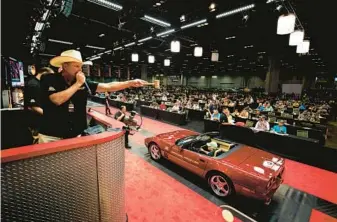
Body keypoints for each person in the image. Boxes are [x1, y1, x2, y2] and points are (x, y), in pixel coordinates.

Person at [38, 49, 148, 144]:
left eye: (81, 66)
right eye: (76, 66)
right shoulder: (49, 79)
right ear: (65, 66)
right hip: (51, 135)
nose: (80, 69)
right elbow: (56, 100)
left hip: (76, 134)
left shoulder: (84, 82)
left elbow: (108, 86)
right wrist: (77, 84)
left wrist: (130, 83)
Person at [24, 67, 55, 144]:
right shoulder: (34, 85)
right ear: (44, 74)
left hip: (38, 121)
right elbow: (34, 107)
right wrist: (51, 116)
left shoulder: (39, 83)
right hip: (34, 122)